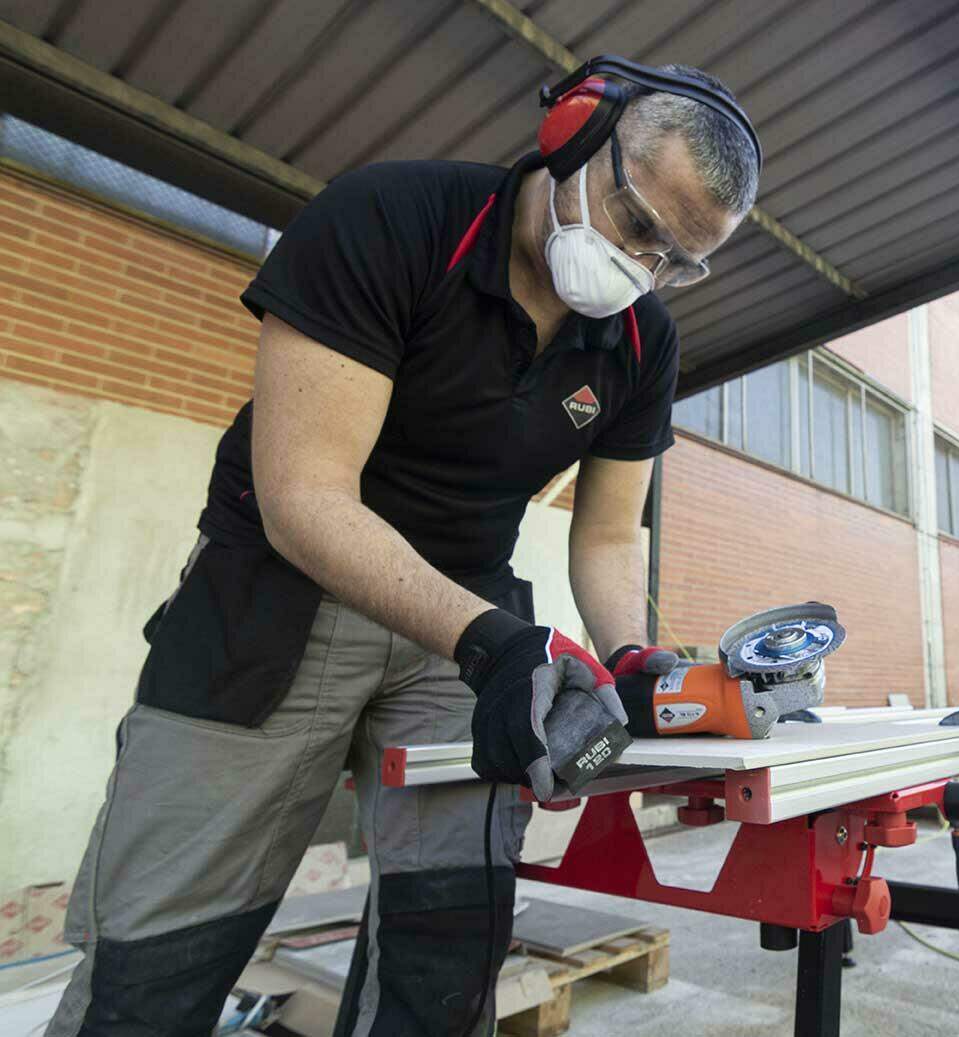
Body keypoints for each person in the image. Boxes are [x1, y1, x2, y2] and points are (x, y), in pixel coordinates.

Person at [46, 59, 760, 1037]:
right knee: (158, 949)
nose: (644, 269)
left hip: (459, 618)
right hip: (274, 597)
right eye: (637, 226)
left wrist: (632, 655)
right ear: (575, 137)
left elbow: (605, 534)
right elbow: (303, 498)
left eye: (677, 259)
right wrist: (504, 644)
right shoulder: (387, 220)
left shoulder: (640, 340)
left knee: (447, 945)